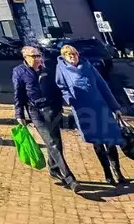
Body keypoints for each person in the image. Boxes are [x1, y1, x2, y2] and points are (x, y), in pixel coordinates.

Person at [55, 44, 128, 186]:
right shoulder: (61, 69)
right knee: (98, 143)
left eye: (74, 54)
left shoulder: (88, 66)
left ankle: (118, 172)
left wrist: (115, 107)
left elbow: (102, 86)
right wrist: (69, 99)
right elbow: (61, 86)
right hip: (84, 111)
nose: (72, 57)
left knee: (110, 141)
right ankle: (107, 173)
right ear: (64, 57)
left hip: (101, 108)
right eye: (69, 55)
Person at [12, 46, 79, 192]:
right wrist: (19, 114)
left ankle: (54, 169)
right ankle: (69, 178)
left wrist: (60, 105)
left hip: (51, 109)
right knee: (51, 142)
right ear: (25, 58)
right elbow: (18, 94)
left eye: (38, 55)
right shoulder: (19, 71)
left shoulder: (48, 68)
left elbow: (57, 88)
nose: (37, 58)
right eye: (34, 56)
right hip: (35, 111)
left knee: (56, 142)